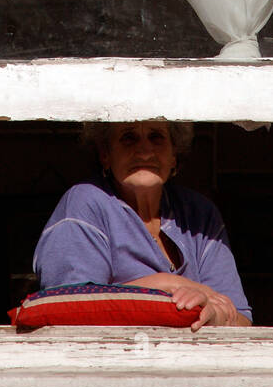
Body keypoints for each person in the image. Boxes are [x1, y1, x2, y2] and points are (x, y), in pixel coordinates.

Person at [33, 120, 252, 330]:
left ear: (174, 154)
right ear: (105, 155)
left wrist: (213, 316)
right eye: (129, 138)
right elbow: (70, 307)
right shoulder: (86, 202)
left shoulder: (199, 212)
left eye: (156, 137)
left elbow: (241, 318)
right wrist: (165, 284)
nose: (145, 152)